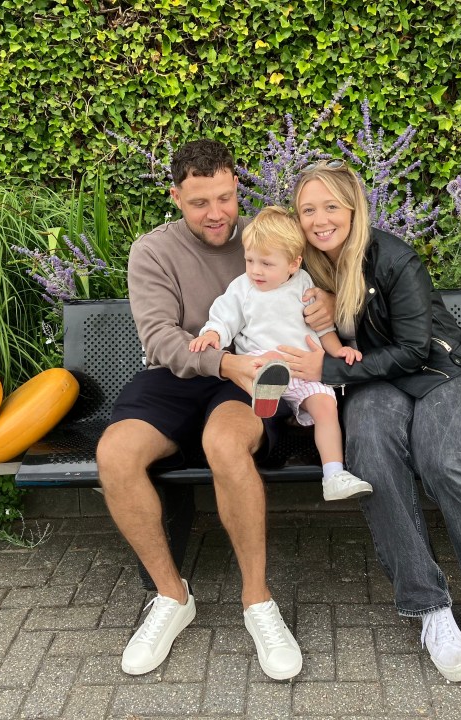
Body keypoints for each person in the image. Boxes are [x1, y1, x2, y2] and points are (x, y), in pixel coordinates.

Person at [279, 160, 461, 683]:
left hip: (441, 373)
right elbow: (253, 269)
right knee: (372, 460)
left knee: (444, 462)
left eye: (331, 206)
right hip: (375, 386)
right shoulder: (303, 265)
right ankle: (429, 608)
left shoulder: (394, 257)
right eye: (308, 209)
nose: (320, 219)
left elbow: (416, 349)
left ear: (354, 207)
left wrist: (327, 367)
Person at [97, 139, 332, 681]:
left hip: (255, 374)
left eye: (226, 198)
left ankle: (257, 602)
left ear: (236, 189)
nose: (217, 214)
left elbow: (320, 279)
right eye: (201, 202)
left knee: (224, 444)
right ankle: (171, 596)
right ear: (177, 196)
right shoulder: (152, 251)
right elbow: (159, 339)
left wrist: (322, 305)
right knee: (115, 454)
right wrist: (224, 364)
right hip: (181, 375)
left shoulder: (263, 237)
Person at [189, 206, 374, 501]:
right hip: (262, 362)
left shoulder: (304, 284)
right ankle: (266, 396)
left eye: (265, 263)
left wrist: (339, 351)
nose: (255, 270)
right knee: (267, 365)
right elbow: (225, 317)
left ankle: (334, 474)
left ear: (293, 263)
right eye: (249, 260)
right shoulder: (242, 288)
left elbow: (322, 326)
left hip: (304, 366)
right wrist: (213, 335)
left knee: (326, 408)